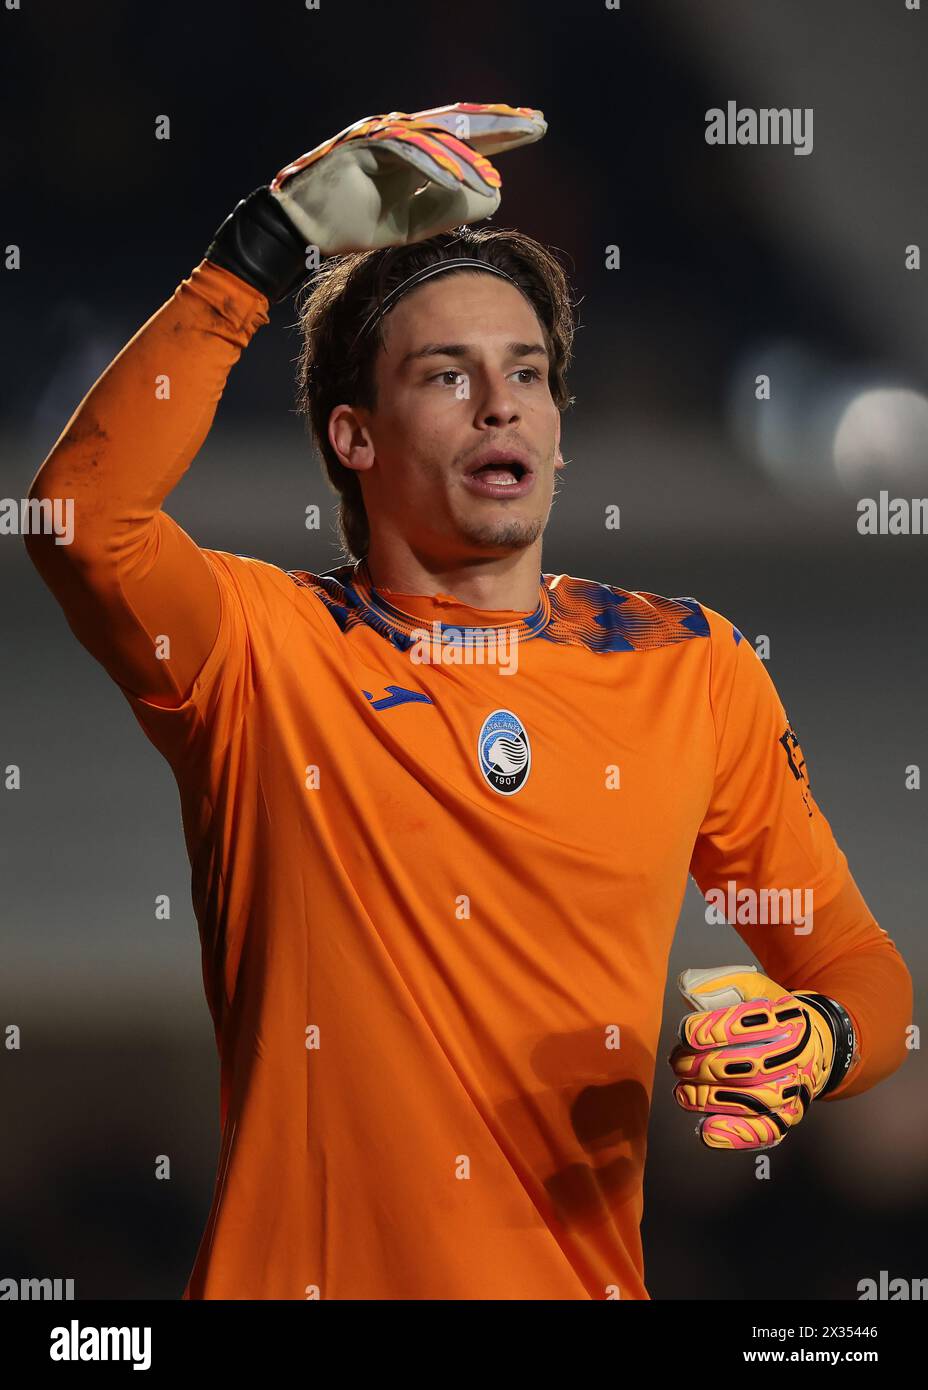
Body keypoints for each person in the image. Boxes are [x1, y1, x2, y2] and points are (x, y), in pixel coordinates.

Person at [24, 104, 912, 1300]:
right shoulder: (258, 651)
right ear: (354, 437)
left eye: (528, 374)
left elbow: (854, 964)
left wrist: (820, 1042)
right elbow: (78, 520)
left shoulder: (687, 662)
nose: (502, 404)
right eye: (448, 375)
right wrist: (263, 243)